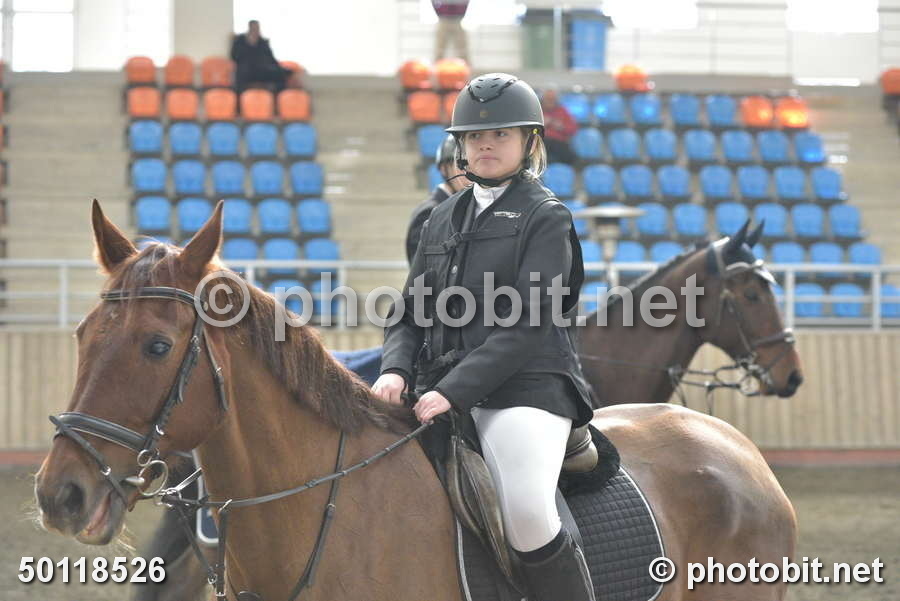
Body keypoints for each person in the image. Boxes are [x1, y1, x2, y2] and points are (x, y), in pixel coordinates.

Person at [373, 73, 597, 601]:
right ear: (461, 146)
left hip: (526, 390)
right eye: (475, 136)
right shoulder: (440, 217)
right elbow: (408, 311)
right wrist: (394, 370)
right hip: (437, 387)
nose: (486, 145)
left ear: (529, 142)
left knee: (527, 512)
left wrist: (453, 390)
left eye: (500, 134)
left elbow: (529, 323)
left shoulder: (546, 216)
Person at [406, 134, 470, 263]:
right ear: (444, 169)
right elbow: (425, 267)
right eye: (462, 165)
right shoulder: (429, 213)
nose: (470, 173)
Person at [230, 20, 294, 96]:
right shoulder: (240, 40)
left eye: (257, 28)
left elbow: (271, 59)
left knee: (281, 74)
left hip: (262, 69)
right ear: (249, 28)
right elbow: (234, 56)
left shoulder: (263, 42)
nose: (255, 30)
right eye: (253, 28)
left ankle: (277, 97)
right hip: (246, 70)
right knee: (241, 74)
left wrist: (280, 69)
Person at [540, 89, 578, 165]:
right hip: (541, 141)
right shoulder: (537, 110)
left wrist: (561, 127)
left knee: (569, 155)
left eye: (552, 99)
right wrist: (540, 124)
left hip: (558, 142)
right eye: (548, 99)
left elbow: (573, 129)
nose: (550, 102)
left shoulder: (563, 111)